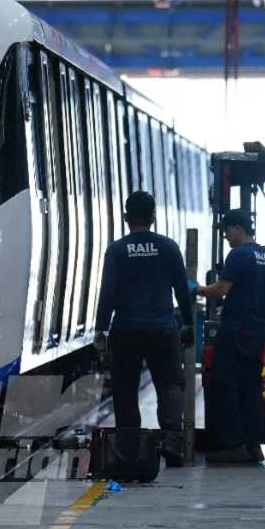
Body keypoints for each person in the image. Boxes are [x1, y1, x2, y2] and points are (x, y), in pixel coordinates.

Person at [95, 191, 195, 467]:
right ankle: (172, 443)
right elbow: (182, 289)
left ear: (126, 217)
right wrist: (188, 322)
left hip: (125, 330)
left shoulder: (116, 250)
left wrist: (101, 329)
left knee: (125, 388)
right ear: (153, 217)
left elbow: (107, 293)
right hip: (163, 329)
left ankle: (129, 448)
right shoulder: (168, 247)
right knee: (170, 385)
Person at [195, 209, 265, 464]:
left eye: (227, 231)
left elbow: (221, 289)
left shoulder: (238, 254)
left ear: (238, 229)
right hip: (256, 330)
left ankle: (232, 446)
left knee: (224, 386)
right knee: (250, 387)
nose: (226, 237)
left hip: (235, 329)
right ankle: (253, 445)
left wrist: (197, 289)